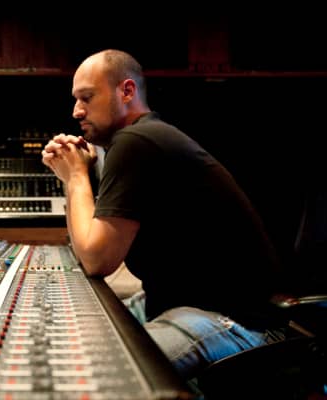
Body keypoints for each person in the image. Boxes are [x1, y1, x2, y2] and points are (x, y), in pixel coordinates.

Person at [41, 49, 284, 380]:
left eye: (87, 97)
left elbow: (97, 259)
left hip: (239, 323)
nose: (76, 111)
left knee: (97, 375)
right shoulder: (141, 139)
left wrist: (76, 178)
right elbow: (87, 252)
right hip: (184, 307)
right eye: (75, 99)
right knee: (69, 343)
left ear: (127, 91)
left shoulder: (135, 142)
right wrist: (72, 178)